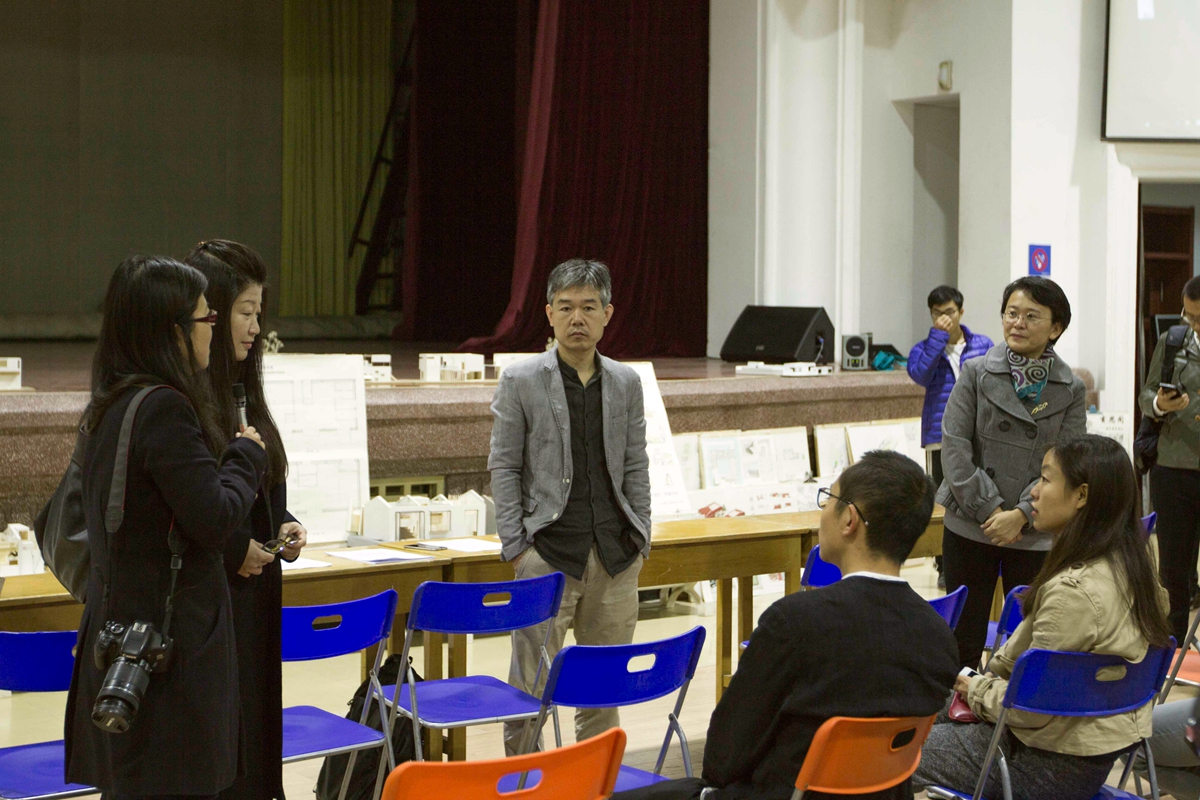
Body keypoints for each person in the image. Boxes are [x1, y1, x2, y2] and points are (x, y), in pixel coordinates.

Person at [610, 450, 959, 800]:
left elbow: (722, 758)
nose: (823, 509)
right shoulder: (938, 636)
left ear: (849, 520)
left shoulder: (795, 622)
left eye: (829, 498)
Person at [65, 256, 268, 798]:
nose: (213, 330)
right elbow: (215, 518)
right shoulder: (165, 409)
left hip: (121, 640)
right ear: (173, 332)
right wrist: (246, 455)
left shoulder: (113, 401)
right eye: (207, 318)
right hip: (166, 656)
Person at [914, 435, 1172, 799]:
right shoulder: (1135, 567)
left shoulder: (1073, 592)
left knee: (889, 750)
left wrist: (976, 688)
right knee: (916, 709)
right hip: (1089, 753)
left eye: (1046, 479)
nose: (1033, 492)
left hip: (1040, 762)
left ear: (1081, 496)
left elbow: (1029, 710)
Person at [489, 258, 651, 756]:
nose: (577, 318)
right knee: (529, 689)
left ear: (607, 314)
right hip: (548, 552)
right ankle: (524, 783)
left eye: (588, 307)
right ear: (548, 314)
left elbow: (635, 464)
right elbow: (504, 465)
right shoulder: (521, 379)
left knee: (603, 691)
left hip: (615, 554)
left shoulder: (625, 382)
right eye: (566, 307)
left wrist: (642, 535)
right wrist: (518, 547)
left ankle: (593, 783)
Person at [185, 240, 306, 800]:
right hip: (210, 606)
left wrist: (283, 523)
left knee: (254, 742)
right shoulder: (179, 401)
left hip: (255, 599)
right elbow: (187, 505)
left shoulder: (244, 389)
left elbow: (259, 482)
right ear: (208, 313)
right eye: (244, 312)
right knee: (219, 753)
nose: (255, 328)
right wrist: (235, 548)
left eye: (259, 313)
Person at [937, 275, 1087, 669]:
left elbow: (1067, 460)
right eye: (1011, 313)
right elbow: (954, 446)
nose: (1017, 323)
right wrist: (991, 510)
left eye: (1031, 316)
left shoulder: (1070, 388)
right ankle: (959, 705)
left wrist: (1020, 514)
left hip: (1034, 530)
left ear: (1055, 328)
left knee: (1028, 638)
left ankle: (1010, 706)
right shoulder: (975, 372)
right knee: (963, 637)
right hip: (972, 523)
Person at [907, 285, 993, 588]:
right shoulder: (923, 349)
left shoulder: (983, 344)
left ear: (961, 312)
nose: (944, 318)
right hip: (940, 434)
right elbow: (920, 375)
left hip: (979, 432)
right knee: (943, 500)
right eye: (937, 313)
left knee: (979, 492)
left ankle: (981, 556)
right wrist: (938, 339)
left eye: (949, 312)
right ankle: (944, 565)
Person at [1139, 275, 1200, 647]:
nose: (1194, 325)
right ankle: (1173, 642)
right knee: (1174, 568)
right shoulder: (1173, 341)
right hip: (1174, 467)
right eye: (1189, 316)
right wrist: (1161, 404)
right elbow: (1147, 394)